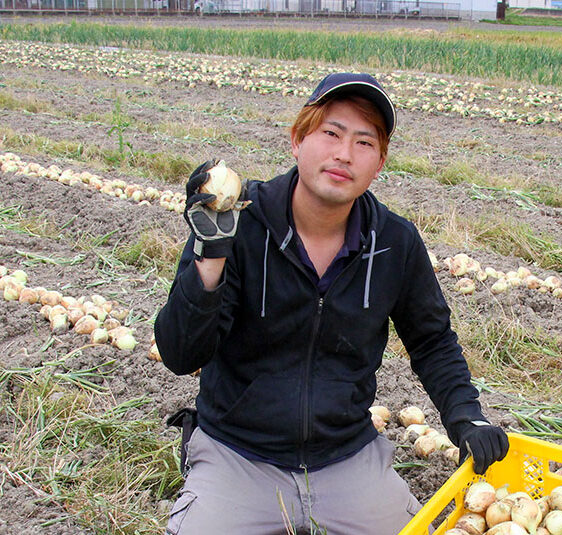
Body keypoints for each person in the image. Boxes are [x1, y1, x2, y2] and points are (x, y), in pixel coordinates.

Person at [155, 73, 509, 535]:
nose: (345, 154)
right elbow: (181, 355)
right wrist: (208, 263)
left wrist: (466, 416)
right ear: (297, 139)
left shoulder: (394, 242)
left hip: (346, 455)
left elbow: (432, 340)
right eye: (331, 133)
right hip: (238, 454)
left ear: (379, 162)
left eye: (364, 142)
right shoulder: (234, 223)